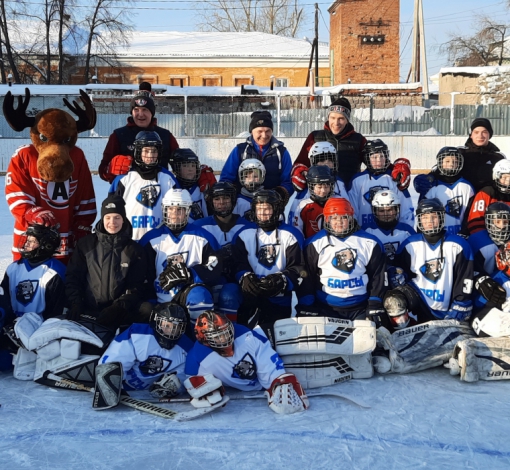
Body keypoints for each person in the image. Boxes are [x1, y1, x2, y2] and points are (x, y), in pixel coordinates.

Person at [184, 310, 309, 414]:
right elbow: (191, 381)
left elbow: (265, 355)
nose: (225, 339)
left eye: (227, 333)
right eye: (218, 337)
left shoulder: (245, 334)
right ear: (204, 338)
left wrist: (276, 380)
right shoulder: (196, 358)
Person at [138, 189, 222, 325]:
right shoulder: (151, 239)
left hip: (189, 294)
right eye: (171, 209)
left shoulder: (203, 237)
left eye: (180, 210)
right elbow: (142, 275)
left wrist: (190, 274)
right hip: (160, 297)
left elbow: (216, 268)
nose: (175, 214)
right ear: (164, 210)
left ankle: (200, 339)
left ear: (187, 211)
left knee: (200, 296)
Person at [291, 97, 411, 191]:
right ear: (328, 117)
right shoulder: (315, 137)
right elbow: (300, 163)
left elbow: (377, 162)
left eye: (341, 119)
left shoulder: (358, 140)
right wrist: (299, 171)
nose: (336, 123)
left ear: (347, 120)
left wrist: (399, 168)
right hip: (321, 192)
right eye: (332, 117)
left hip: (350, 192)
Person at [385, 198, 474, 325]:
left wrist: (461, 302)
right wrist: (398, 275)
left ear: (442, 217)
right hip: (418, 301)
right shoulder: (409, 243)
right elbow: (399, 271)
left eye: (434, 217)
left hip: (448, 306)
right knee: (393, 300)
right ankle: (403, 333)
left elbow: (465, 278)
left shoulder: (459, 245)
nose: (430, 221)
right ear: (419, 219)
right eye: (425, 217)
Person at [65, 194, 147, 330]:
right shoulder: (86, 244)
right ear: (102, 219)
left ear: (123, 219)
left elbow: (136, 286)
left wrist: (118, 307)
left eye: (117, 217)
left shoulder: (134, 250)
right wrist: (76, 303)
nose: (112, 222)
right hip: (88, 309)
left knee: (146, 309)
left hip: (120, 312)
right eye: (108, 218)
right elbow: (73, 277)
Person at [304, 197, 388, 324]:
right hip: (327, 308)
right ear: (327, 219)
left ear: (351, 218)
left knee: (367, 343)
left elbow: (378, 276)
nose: (339, 222)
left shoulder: (370, 242)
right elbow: (307, 277)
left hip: (360, 308)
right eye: (334, 218)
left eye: (343, 217)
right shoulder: (314, 243)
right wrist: (307, 304)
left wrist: (375, 303)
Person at [232, 189, 306, 331]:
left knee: (275, 340)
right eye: (259, 209)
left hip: (279, 299)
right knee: (248, 338)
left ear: (276, 209)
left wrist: (282, 280)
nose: (263, 213)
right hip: (251, 297)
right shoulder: (243, 233)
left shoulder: (291, 234)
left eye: (267, 209)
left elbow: (298, 267)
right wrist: (244, 276)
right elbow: (237, 263)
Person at [98, 303, 193, 395]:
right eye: (167, 325)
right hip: (124, 385)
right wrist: (113, 384)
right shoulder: (137, 334)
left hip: (148, 391)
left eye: (176, 327)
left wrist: (177, 384)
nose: (171, 331)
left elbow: (187, 374)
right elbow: (114, 359)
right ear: (156, 322)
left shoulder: (186, 347)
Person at [194, 182, 251, 320]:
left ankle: (229, 333)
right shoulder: (199, 227)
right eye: (217, 199)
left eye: (226, 198)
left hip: (238, 281)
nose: (222, 203)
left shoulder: (248, 226)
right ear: (211, 202)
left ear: (233, 200)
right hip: (211, 279)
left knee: (229, 295)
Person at [109, 130, 179, 241]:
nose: (150, 155)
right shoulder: (124, 178)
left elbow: (179, 211)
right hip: (129, 241)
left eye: (154, 151)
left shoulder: (168, 178)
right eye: (146, 151)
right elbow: (111, 210)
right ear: (138, 151)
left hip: (161, 242)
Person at [99, 89, 179, 183]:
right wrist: (111, 168)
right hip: (127, 191)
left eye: (145, 109)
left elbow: (180, 166)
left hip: (161, 190)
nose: (140, 114)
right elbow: (103, 171)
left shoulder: (166, 136)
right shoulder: (118, 135)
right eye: (136, 110)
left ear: (152, 112)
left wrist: (194, 171)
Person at [414, 117, 505, 196]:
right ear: (471, 135)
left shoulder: (498, 157)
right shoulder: (461, 153)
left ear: (490, 134)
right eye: (476, 132)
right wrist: (428, 178)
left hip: (487, 201)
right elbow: (442, 170)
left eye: (484, 132)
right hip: (462, 199)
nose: (480, 136)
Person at [220, 111, 293, 205]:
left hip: (270, 205)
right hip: (243, 202)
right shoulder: (240, 151)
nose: (264, 135)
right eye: (260, 131)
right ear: (251, 131)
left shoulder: (281, 152)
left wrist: (278, 195)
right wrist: (235, 196)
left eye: (268, 131)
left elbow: (288, 182)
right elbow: (226, 179)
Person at [349, 139, 414, 229]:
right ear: (367, 158)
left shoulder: (395, 178)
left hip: (393, 233)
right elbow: (352, 209)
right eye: (374, 157)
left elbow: (406, 208)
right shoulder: (357, 180)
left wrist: (407, 229)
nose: (379, 161)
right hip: (365, 233)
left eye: (382, 156)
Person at [288, 142, 351, 225]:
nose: (326, 164)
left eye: (330, 160)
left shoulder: (339, 183)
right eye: (321, 161)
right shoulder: (308, 183)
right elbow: (295, 215)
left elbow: (348, 206)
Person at [421, 146, 474, 235]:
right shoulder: (432, 186)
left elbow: (471, 213)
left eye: (455, 161)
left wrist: (465, 231)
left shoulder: (467, 186)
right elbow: (422, 214)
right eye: (447, 161)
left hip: (462, 235)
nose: (451, 164)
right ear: (440, 163)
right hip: (437, 235)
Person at [364, 189, 416, 262]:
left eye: (389, 210)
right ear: (375, 211)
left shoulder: (407, 230)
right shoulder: (367, 231)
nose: (386, 214)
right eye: (381, 211)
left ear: (396, 210)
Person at [467, 159, 510, 234]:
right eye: (505, 177)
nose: (508, 182)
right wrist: (485, 241)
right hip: (487, 238)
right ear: (497, 176)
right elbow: (475, 221)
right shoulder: (486, 192)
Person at [291, 166, 335, 239]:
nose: (323, 190)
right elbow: (297, 231)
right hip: (310, 246)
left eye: (326, 186)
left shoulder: (337, 203)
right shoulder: (304, 206)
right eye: (319, 187)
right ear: (312, 187)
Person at [170, 148, 208, 220]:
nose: (190, 169)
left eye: (193, 166)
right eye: (185, 166)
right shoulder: (171, 189)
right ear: (177, 168)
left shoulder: (202, 188)